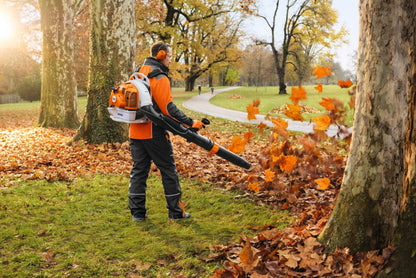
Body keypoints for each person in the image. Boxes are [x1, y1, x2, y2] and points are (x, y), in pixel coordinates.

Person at [128, 42, 205, 222]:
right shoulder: (159, 77)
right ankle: (176, 213)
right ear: (161, 55)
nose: (171, 60)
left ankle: (137, 214)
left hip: (134, 130)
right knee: (168, 170)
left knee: (139, 171)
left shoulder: (138, 73)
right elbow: (169, 109)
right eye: (170, 56)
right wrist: (190, 122)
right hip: (153, 132)